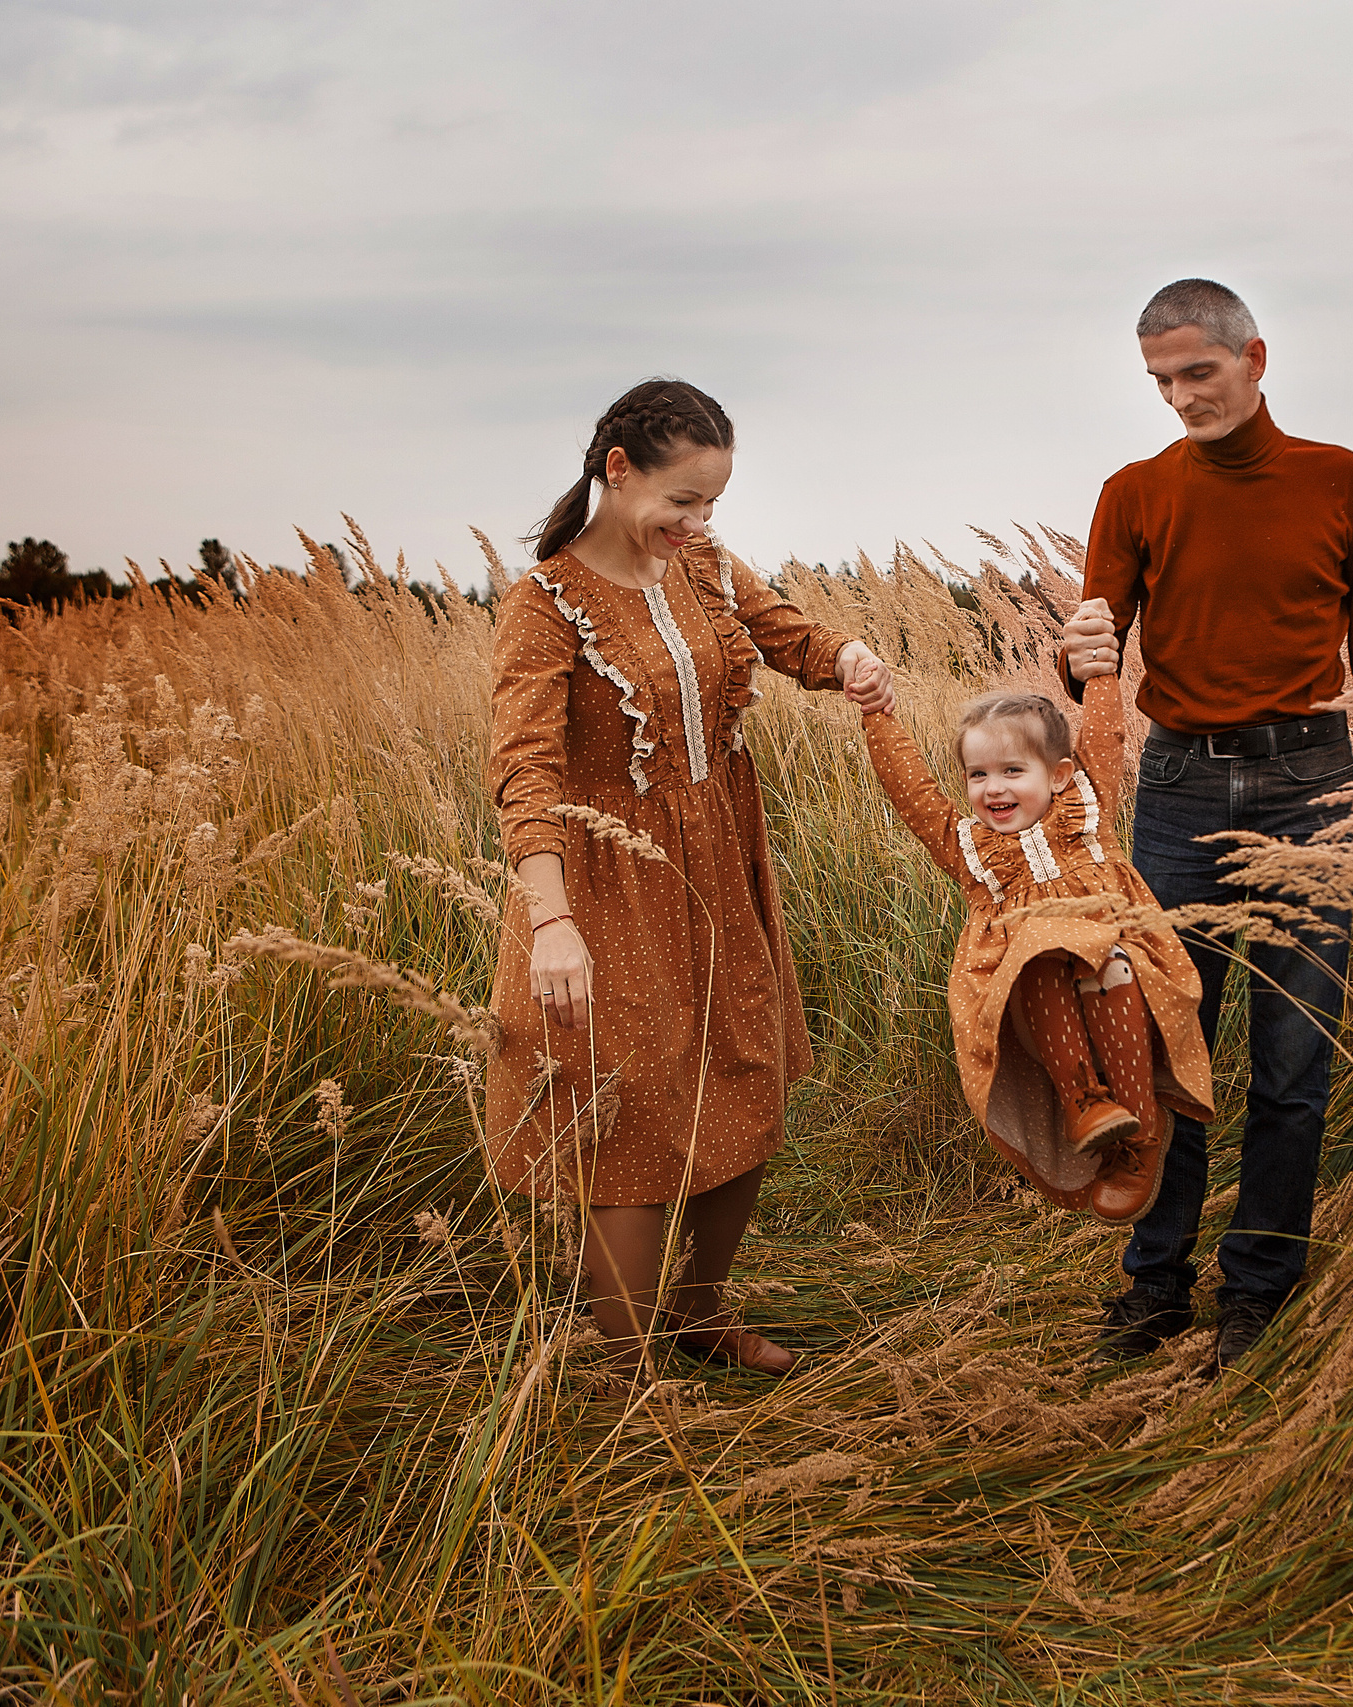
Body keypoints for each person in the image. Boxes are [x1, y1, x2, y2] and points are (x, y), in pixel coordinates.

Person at [487, 378, 894, 1378]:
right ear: (617, 471)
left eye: (711, 503)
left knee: (740, 1076)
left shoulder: (704, 564)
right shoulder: (545, 606)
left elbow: (786, 634)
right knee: (628, 1109)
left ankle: (701, 1311)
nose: (696, 522)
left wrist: (846, 656)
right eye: (681, 501)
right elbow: (523, 771)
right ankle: (629, 1374)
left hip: (717, 857)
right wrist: (553, 922)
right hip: (600, 877)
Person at [1062, 279, 1353, 1371]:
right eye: (1161, 382)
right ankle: (1155, 1287)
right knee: (1171, 1055)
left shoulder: (1337, 478)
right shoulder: (1132, 492)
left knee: (1292, 1065)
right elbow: (1093, 656)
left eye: (1197, 374)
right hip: (1175, 797)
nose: (1180, 399)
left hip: (1312, 787)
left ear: (1253, 359)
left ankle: (1258, 1289)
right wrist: (1077, 658)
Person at [858, 678, 1213, 1222]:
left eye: (1012, 771)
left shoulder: (1089, 814)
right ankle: (1084, 1103)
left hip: (1118, 968)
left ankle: (1138, 1131)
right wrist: (877, 716)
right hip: (1030, 989)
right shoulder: (970, 851)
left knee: (1108, 962)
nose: (993, 789)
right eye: (978, 775)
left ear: (1060, 775)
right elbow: (911, 792)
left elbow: (1106, 735)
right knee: (1038, 951)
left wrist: (1100, 671)